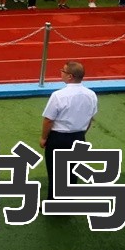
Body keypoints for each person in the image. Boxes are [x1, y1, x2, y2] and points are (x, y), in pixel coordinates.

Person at [40, 61, 97, 199]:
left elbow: (49, 119)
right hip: (79, 137)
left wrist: (43, 138)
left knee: (55, 172)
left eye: (63, 71)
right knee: (72, 171)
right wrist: (81, 134)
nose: (61, 73)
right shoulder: (91, 95)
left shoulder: (58, 95)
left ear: (70, 76)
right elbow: (90, 118)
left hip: (58, 138)